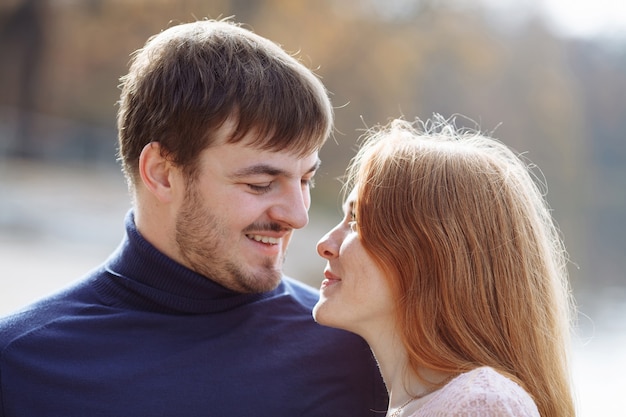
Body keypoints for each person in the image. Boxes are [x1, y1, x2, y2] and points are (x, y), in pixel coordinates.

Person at [0, 19, 387, 416]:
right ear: (162, 173)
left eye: (305, 179)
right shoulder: (19, 365)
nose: (298, 216)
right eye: (260, 183)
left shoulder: (357, 351)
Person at [313, 116, 576, 417]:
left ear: (430, 254)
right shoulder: (432, 405)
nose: (325, 243)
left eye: (358, 221)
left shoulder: (480, 404)